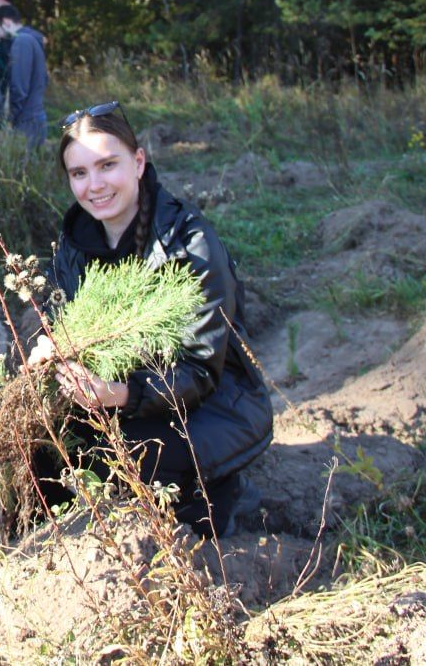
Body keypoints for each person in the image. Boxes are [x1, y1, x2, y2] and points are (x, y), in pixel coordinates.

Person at [28, 101, 272, 538]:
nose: (95, 185)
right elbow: (58, 317)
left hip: (211, 404)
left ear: (138, 162)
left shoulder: (189, 242)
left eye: (107, 165)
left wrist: (118, 393)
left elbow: (199, 370)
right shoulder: (76, 242)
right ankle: (60, 552)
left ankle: (217, 496)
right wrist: (52, 347)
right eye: (79, 173)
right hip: (116, 394)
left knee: (133, 454)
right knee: (43, 442)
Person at [0, 3, 48, 146]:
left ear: (6, 22)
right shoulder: (33, 39)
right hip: (35, 117)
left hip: (26, 121)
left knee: (23, 165)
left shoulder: (22, 41)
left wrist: (9, 117)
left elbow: (19, 86)